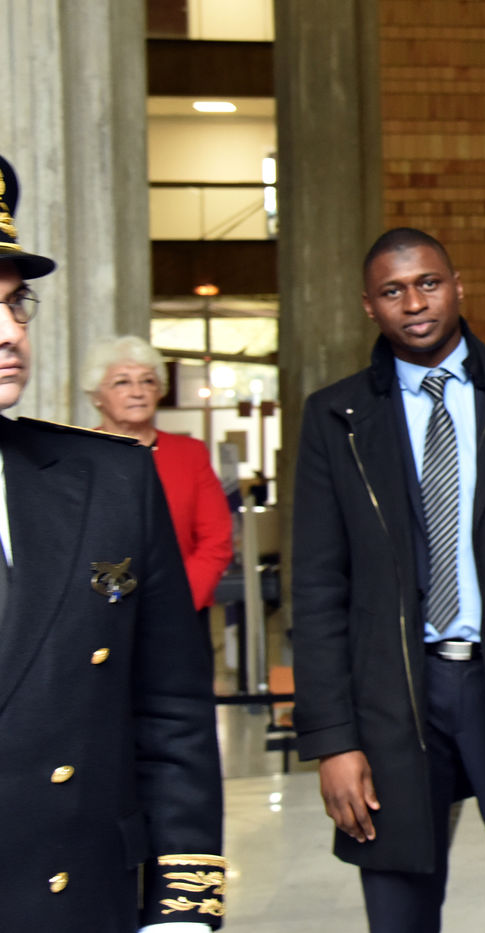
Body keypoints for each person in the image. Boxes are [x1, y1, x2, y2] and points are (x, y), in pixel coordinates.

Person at [291, 227, 485, 932]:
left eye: (428, 283)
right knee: (399, 909)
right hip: (394, 694)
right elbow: (317, 588)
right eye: (392, 291)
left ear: (457, 286)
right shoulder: (337, 417)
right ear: (368, 305)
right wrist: (333, 740)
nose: (414, 303)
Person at [0, 155, 225, 930]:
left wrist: (181, 911)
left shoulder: (110, 479)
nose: (11, 332)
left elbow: (171, 711)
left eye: (16, 303)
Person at [81, 336, 233, 612]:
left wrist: (176, 602)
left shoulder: (190, 454)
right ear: (96, 397)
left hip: (180, 608)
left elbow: (216, 540)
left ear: (160, 391)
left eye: (147, 381)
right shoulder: (78, 455)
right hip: (97, 612)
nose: (137, 392)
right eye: (122, 382)